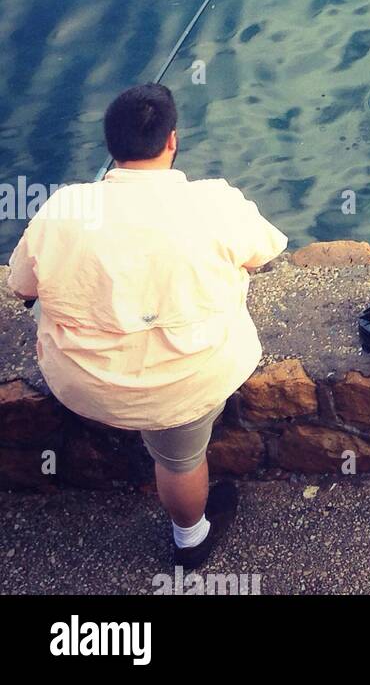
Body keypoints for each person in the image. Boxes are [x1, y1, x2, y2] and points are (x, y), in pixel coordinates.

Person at [6, 84, 286, 566]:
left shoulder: (62, 209)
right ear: (171, 141)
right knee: (179, 460)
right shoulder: (215, 203)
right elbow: (264, 253)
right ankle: (190, 539)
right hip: (184, 384)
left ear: (111, 146)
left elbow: (21, 288)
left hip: (85, 385)